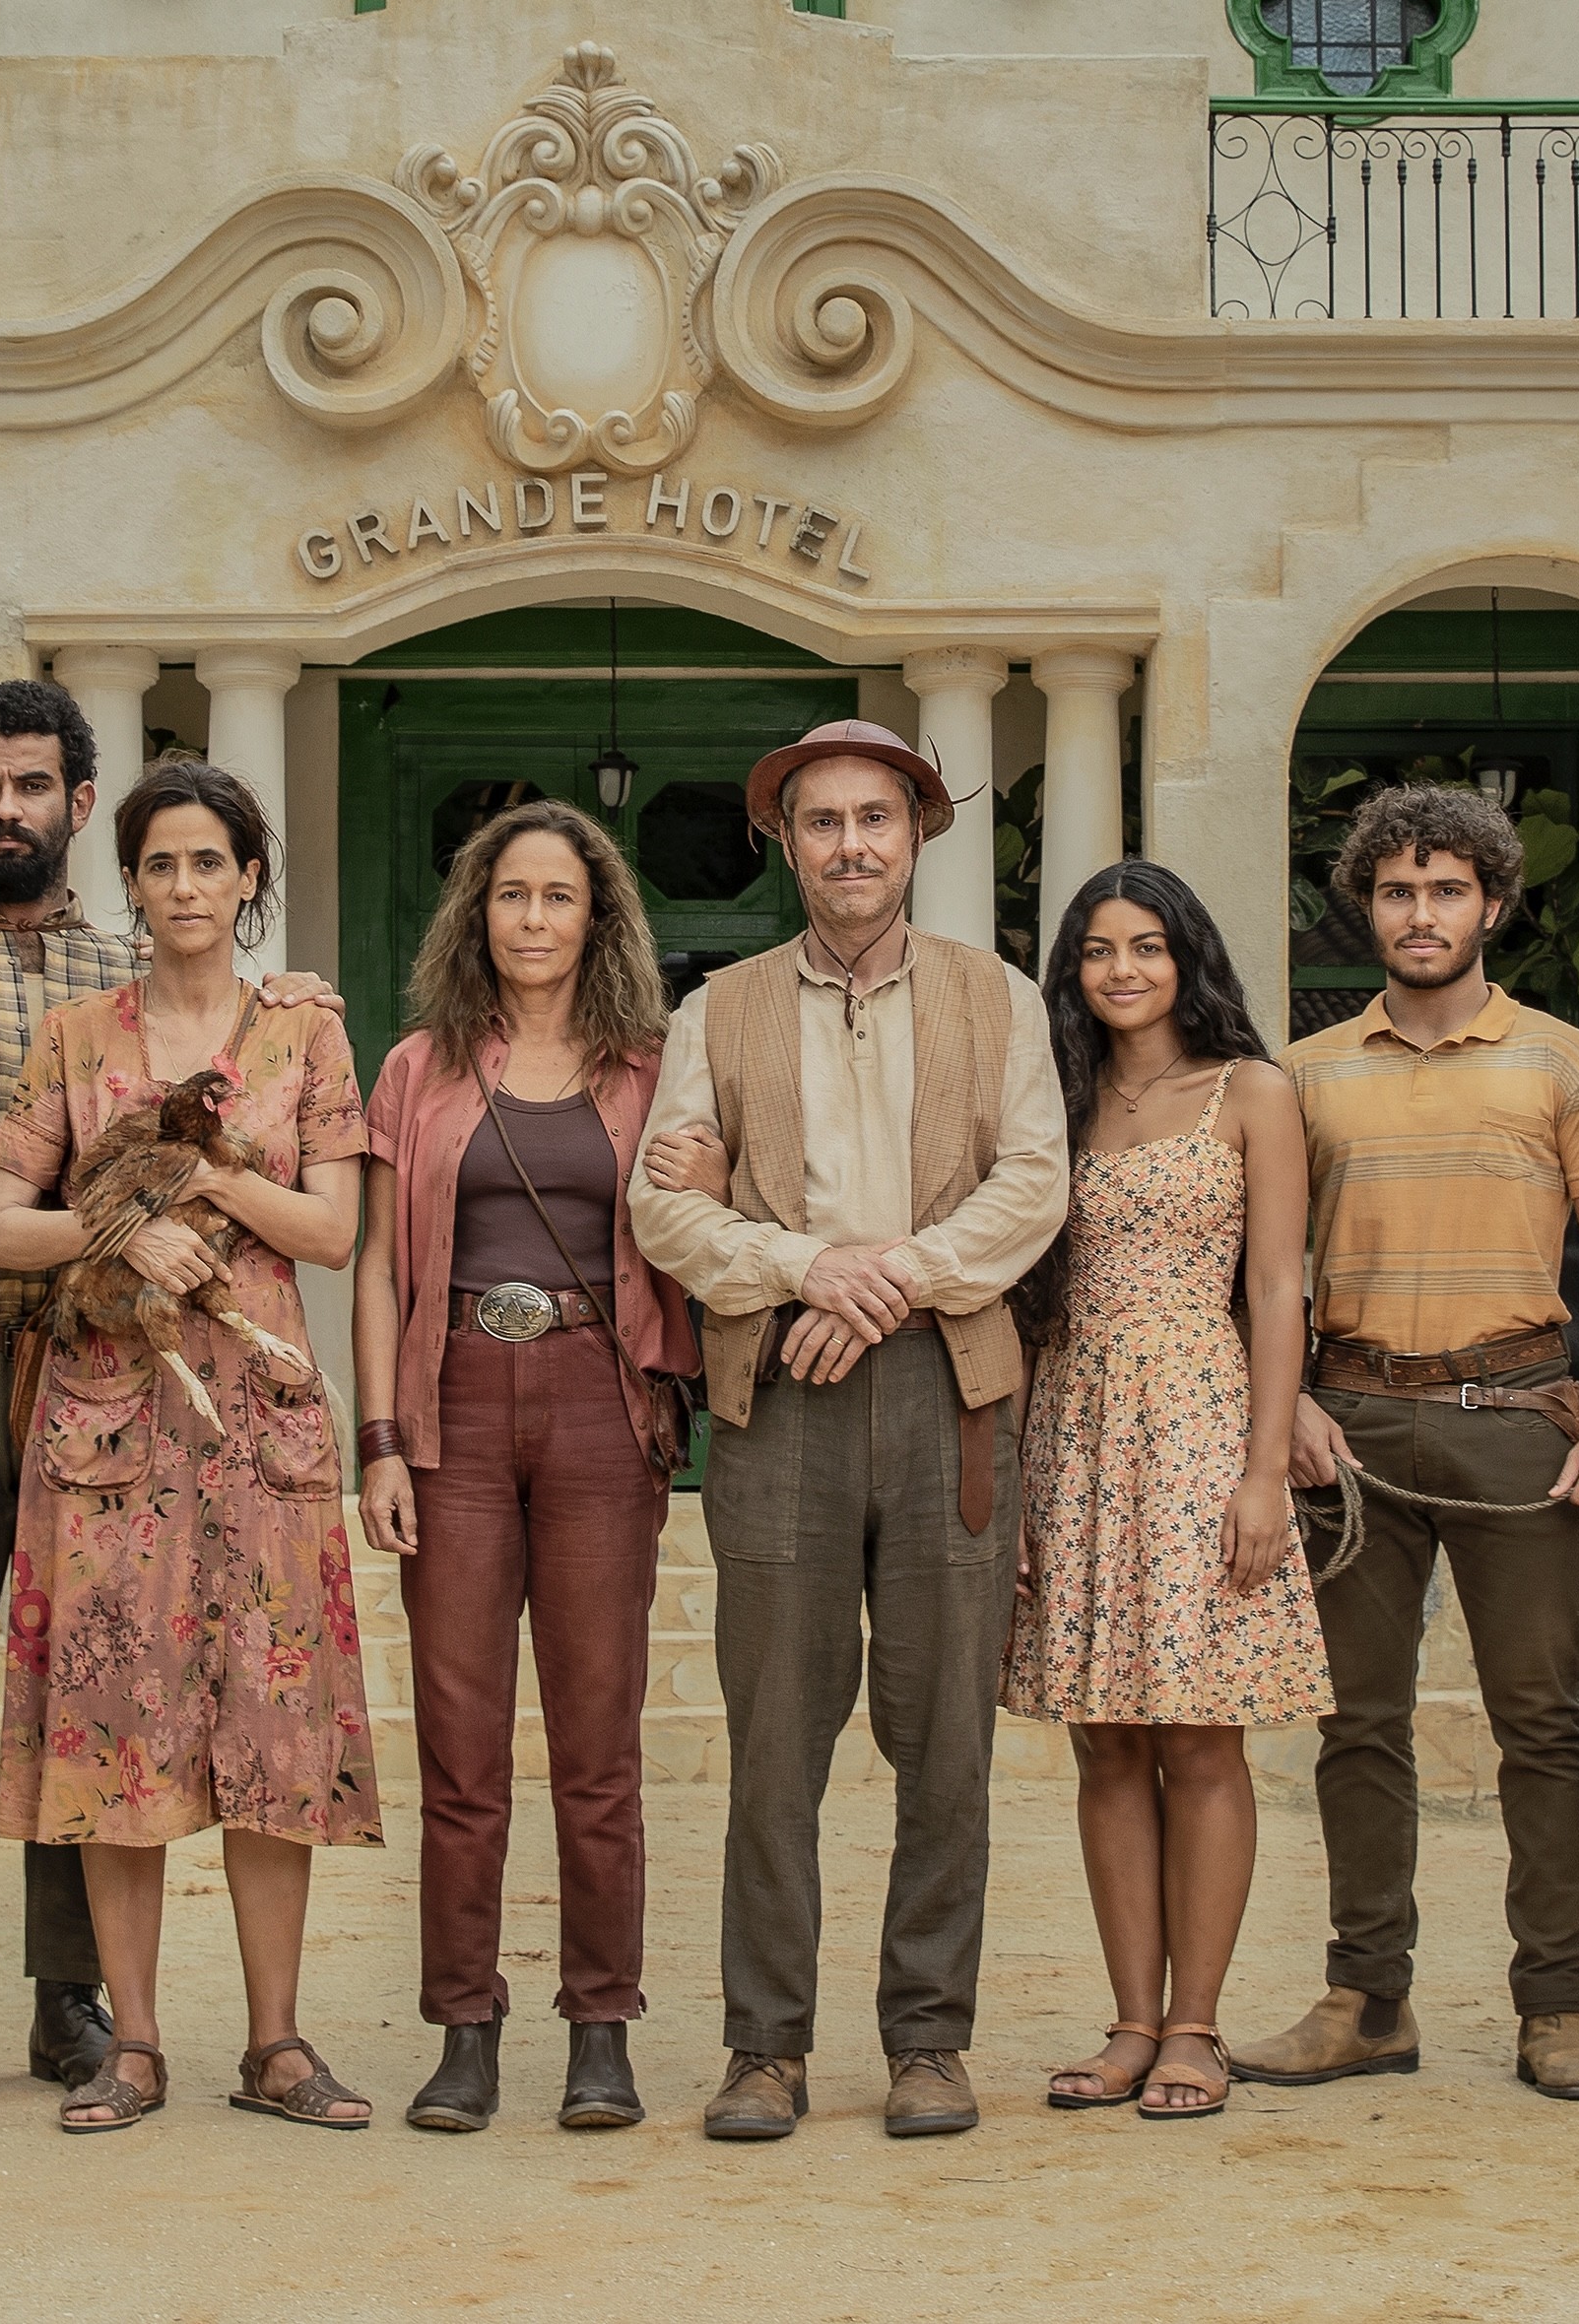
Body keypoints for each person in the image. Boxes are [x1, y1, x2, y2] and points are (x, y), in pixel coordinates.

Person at [0, 675, 340, 2128]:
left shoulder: (151, 972)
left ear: (77, 804)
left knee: (79, 1688)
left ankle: (73, 2000)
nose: (7, 809)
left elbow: (286, 1157)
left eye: (32, 784)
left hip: (112, 1372)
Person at [627, 718, 1070, 2145]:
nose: (850, 844)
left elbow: (1031, 1187)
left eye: (874, 816)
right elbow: (662, 1205)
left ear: (918, 829)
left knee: (943, 1737)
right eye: (820, 821)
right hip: (779, 1399)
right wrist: (801, 1266)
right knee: (772, 1739)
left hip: (951, 1395)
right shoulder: (719, 1011)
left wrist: (882, 1281)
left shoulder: (996, 998)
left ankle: (928, 2040)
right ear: (784, 839)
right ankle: (764, 2045)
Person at [0, 758, 383, 2133]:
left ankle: (275, 2040)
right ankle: (133, 2043)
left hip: (257, 1412)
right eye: (161, 863)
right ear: (131, 881)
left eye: (210, 860)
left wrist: (199, 1174)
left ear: (248, 877)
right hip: (109, 1413)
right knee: (114, 1725)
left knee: (274, 1726)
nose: (185, 885)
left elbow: (332, 1230)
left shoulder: (306, 1035)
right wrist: (108, 1222)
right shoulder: (75, 1035)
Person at [1250, 781, 1579, 2104]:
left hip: (1515, 1422)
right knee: (1354, 1724)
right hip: (1351, 1425)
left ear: (1490, 901)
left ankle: (1558, 2004)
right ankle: (1365, 1996)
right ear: (1362, 906)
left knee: (1537, 1723)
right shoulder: (1301, 1073)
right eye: (1392, 889)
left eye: (1442, 889)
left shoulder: (1561, 1059)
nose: (1417, 912)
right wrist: (1291, 1404)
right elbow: (1262, 1261)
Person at [352, 800, 684, 2137]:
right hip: (455, 1415)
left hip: (602, 1406)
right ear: (475, 914)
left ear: (595, 916)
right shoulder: (419, 1066)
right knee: (460, 1747)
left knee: (598, 1747)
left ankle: (600, 2026)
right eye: (511, 895)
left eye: (559, 895)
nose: (534, 918)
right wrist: (376, 1437)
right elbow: (377, 1263)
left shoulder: (651, 1070)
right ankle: (463, 2025)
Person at [1008, 860, 1328, 2121]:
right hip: (1072, 1425)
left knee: (1200, 1733)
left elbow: (1274, 1290)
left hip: (1201, 1422)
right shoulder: (1054, 1097)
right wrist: (1022, 1482)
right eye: (1096, 950)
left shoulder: (1251, 1092)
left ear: (1189, 955)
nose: (1122, 970)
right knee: (1104, 1738)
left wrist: (1262, 1472)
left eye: (1147, 945)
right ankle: (1130, 2020)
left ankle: (1197, 2024)